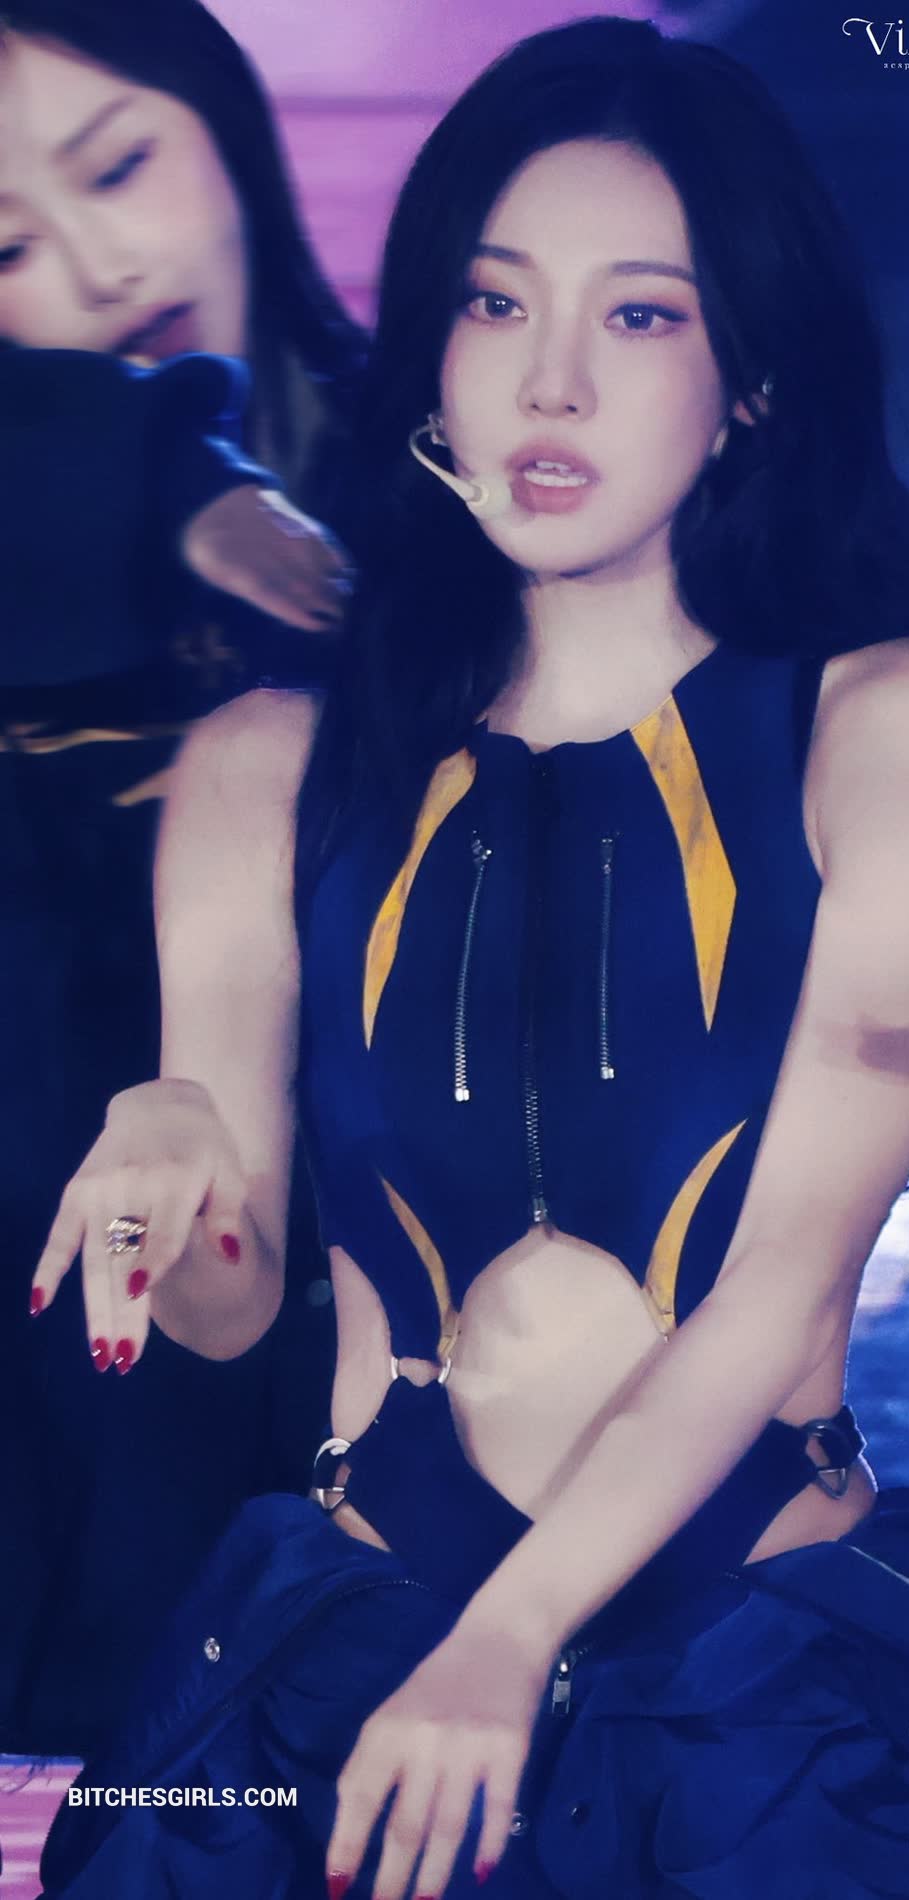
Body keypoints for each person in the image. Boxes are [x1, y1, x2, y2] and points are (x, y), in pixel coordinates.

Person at [35, 17, 909, 1900]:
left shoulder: (894, 721)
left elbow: (778, 1283)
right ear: (433, 347)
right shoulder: (264, 763)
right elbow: (228, 1318)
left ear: (751, 380)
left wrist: (505, 1645)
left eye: (641, 315)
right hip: (355, 1668)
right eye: (497, 304)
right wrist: (167, 1158)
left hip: (774, 1701)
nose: (552, 381)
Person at [0, 0, 367, 1756]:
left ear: (223, 122)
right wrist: (166, 474)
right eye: (3, 248)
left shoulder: (443, 475)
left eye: (121, 166)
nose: (98, 267)